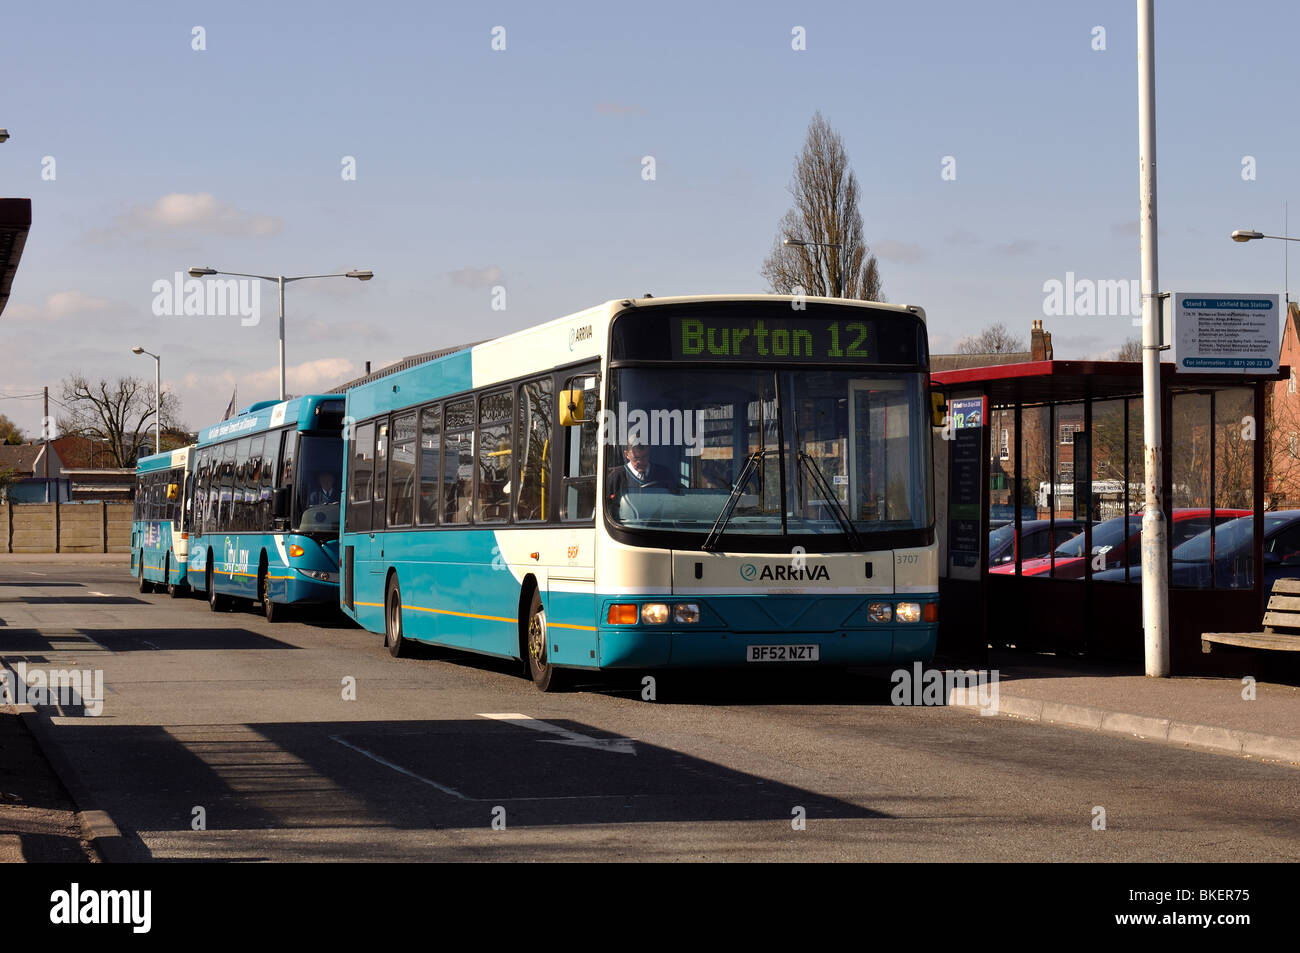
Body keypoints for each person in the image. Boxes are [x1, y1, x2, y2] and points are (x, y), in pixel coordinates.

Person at [606, 438, 681, 504]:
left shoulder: (664, 473)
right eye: (636, 458)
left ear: (649, 452)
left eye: (645, 456)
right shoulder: (615, 477)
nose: (641, 462)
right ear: (626, 454)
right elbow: (608, 505)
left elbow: (676, 500)